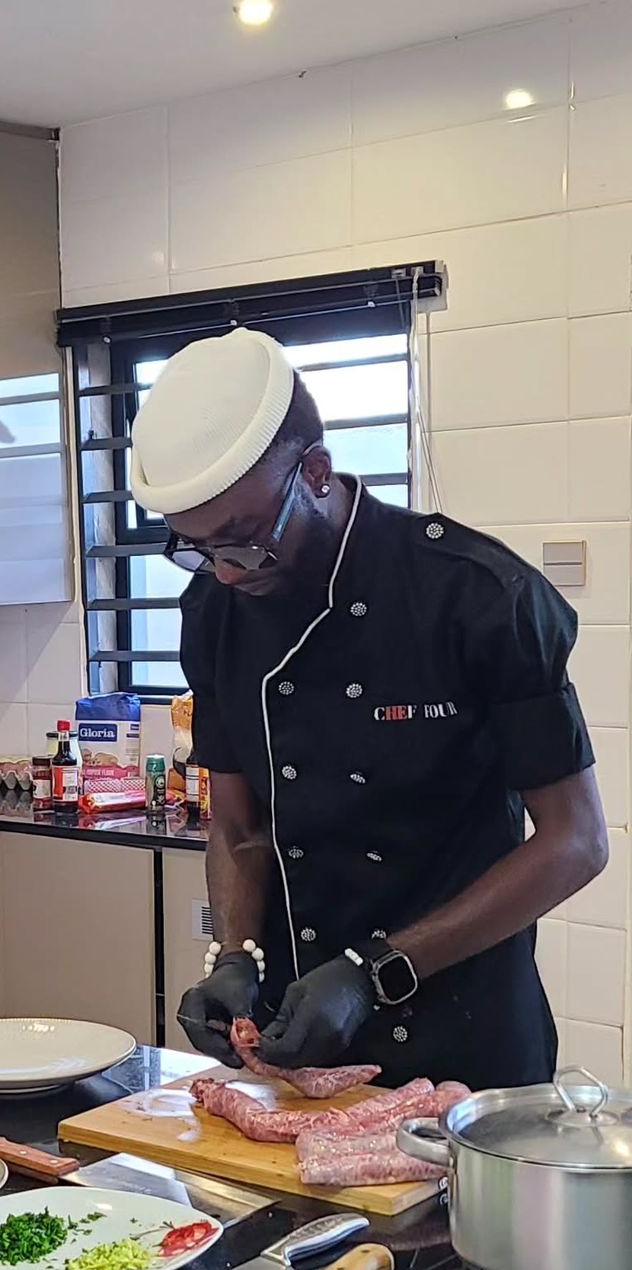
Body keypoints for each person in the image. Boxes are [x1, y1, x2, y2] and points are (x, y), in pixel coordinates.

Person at [130, 327, 606, 1088]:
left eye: (242, 543)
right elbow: (239, 828)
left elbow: (576, 843)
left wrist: (372, 971)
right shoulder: (214, 614)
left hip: (467, 1036)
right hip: (299, 1035)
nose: (222, 573)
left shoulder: (477, 597)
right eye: (194, 548)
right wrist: (234, 958)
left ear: (315, 471)